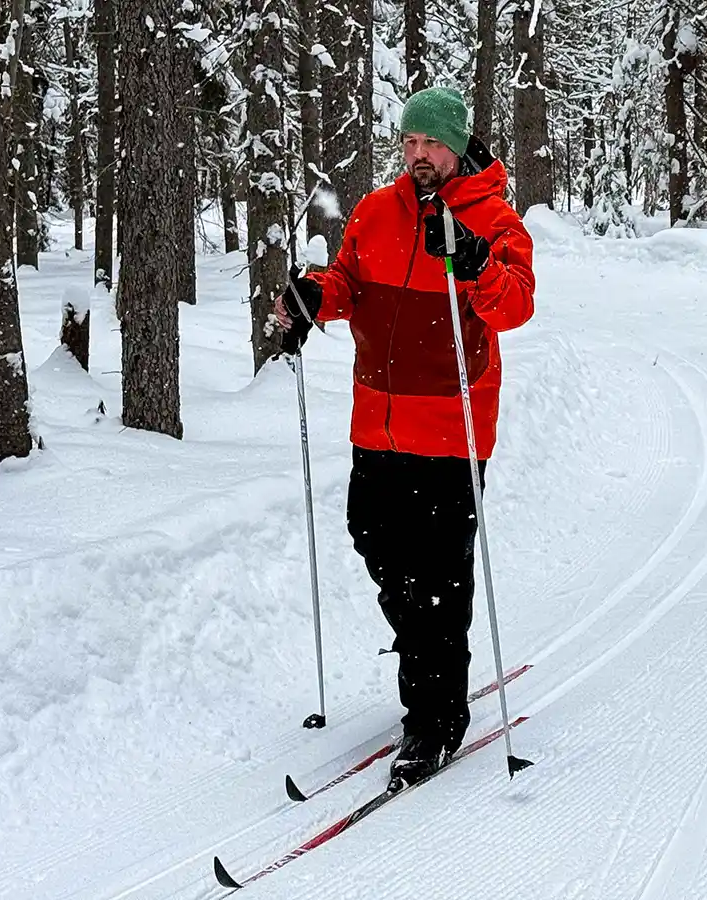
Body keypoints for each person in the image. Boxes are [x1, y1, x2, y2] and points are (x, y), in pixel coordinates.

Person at [274, 86, 535, 786]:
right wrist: (311, 297)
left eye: (430, 144)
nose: (417, 155)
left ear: (456, 146)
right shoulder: (376, 211)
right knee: (373, 538)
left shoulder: (494, 220)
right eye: (408, 143)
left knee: (438, 576)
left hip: (451, 430)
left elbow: (514, 305)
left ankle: (435, 716)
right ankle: (424, 650)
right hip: (377, 420)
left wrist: (475, 262)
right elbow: (347, 282)